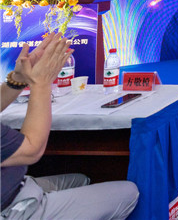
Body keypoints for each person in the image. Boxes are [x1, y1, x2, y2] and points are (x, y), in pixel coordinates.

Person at [1, 33, 139, 219]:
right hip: (12, 209)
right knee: (129, 192)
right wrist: (41, 83)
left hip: (16, 186)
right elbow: (32, 150)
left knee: (82, 179)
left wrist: (18, 78)